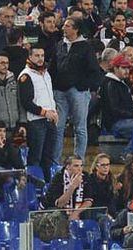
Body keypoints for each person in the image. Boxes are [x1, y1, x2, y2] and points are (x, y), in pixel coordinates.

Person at [51, 15, 101, 164]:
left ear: (76, 29)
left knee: (80, 128)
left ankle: (79, 160)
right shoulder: (60, 45)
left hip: (78, 92)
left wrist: (82, 86)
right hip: (59, 91)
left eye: (67, 26)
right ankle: (55, 161)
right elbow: (53, 67)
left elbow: (94, 71)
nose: (63, 28)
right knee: (58, 127)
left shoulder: (86, 47)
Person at [18, 44, 58, 182]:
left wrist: (54, 111)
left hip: (50, 120)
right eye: (37, 55)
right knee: (36, 157)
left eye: (42, 55)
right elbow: (26, 102)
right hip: (36, 122)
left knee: (48, 157)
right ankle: (33, 187)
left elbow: (49, 96)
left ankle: (48, 185)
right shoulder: (26, 76)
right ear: (30, 56)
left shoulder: (46, 73)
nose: (40, 58)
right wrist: (45, 112)